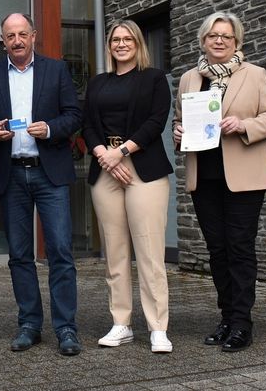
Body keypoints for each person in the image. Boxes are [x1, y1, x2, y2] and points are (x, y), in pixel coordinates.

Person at [171, 11, 266, 353]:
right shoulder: (190, 78)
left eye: (226, 37)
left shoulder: (255, 74)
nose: (219, 41)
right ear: (203, 40)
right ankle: (226, 317)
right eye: (213, 36)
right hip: (204, 176)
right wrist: (178, 133)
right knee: (217, 251)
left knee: (239, 248)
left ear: (237, 42)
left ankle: (242, 323)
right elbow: (180, 120)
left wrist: (244, 125)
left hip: (244, 176)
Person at [0, 13, 83, 356]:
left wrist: (51, 128)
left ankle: (66, 328)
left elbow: (74, 115)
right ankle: (30, 324)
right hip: (11, 173)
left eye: (23, 34)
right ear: (3, 40)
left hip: (48, 171)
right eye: (10, 36)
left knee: (60, 253)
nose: (17, 41)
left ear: (33, 36)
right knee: (20, 255)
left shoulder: (56, 70)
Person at [84, 20, 173, 354]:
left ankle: (157, 327)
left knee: (150, 254)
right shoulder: (97, 83)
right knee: (116, 254)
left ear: (138, 43)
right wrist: (104, 156)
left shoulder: (153, 78)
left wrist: (121, 153)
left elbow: (156, 121)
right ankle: (121, 324)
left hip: (142, 168)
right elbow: (87, 124)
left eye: (127, 39)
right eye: (115, 40)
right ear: (109, 46)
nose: (121, 44)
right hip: (105, 168)